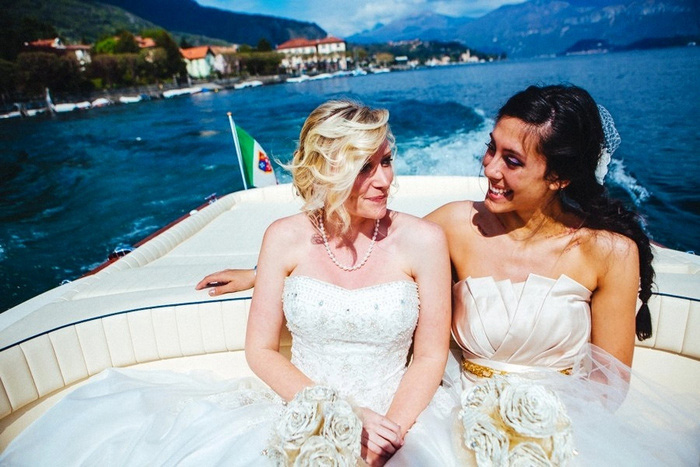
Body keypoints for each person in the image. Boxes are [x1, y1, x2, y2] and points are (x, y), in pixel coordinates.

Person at [198, 85, 699, 465]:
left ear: (559, 177)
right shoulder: (457, 226)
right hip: (463, 407)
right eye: (490, 149)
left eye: (511, 160)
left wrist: (540, 436)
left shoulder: (610, 253)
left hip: (553, 426)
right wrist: (263, 274)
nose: (488, 169)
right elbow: (355, 253)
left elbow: (610, 387)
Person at [0, 100, 456, 466]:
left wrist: (389, 434)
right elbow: (259, 350)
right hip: (305, 405)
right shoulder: (283, 237)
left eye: (387, 161)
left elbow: (431, 353)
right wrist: (340, 417)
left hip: (401, 413)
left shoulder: (425, 241)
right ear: (327, 171)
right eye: (365, 167)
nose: (384, 180)